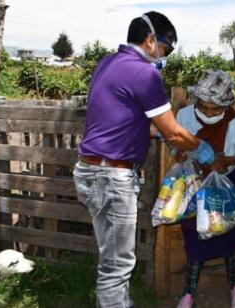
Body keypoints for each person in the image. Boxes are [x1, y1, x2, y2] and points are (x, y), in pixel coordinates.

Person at [73, 11, 215, 308]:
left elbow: (125, 121)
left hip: (90, 171)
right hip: (111, 176)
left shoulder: (108, 64)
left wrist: (165, 136)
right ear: (151, 40)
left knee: (112, 256)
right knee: (117, 265)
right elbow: (175, 132)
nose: (166, 56)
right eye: (167, 48)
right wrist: (200, 147)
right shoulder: (144, 73)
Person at [172, 70, 235, 308]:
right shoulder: (184, 116)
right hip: (195, 186)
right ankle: (188, 294)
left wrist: (229, 161)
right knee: (195, 238)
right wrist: (180, 153)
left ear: (226, 105)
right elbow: (176, 146)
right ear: (195, 102)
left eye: (216, 109)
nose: (209, 113)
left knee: (229, 240)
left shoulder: (234, 123)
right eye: (203, 107)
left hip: (227, 187)